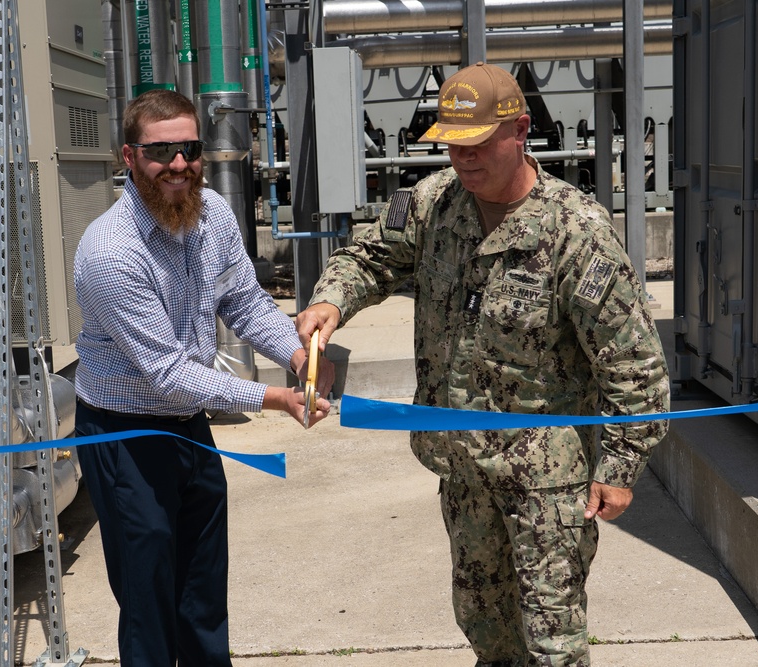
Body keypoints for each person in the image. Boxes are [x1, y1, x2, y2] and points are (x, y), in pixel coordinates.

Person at [296, 62, 670, 666]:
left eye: (476, 143)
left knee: (551, 643)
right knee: (484, 627)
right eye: (451, 145)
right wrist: (331, 299)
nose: (462, 159)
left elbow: (634, 364)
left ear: (520, 129)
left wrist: (622, 466)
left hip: (545, 480)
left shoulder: (575, 230)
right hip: (463, 469)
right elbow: (368, 257)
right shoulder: (433, 205)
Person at [73, 88, 333, 666]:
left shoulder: (210, 212)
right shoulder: (111, 252)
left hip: (187, 428)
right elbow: (167, 373)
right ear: (129, 157)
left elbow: (244, 302)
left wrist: (296, 354)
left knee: (202, 591)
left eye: (189, 149)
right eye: (161, 152)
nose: (179, 165)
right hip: (126, 437)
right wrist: (272, 396)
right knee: (150, 600)